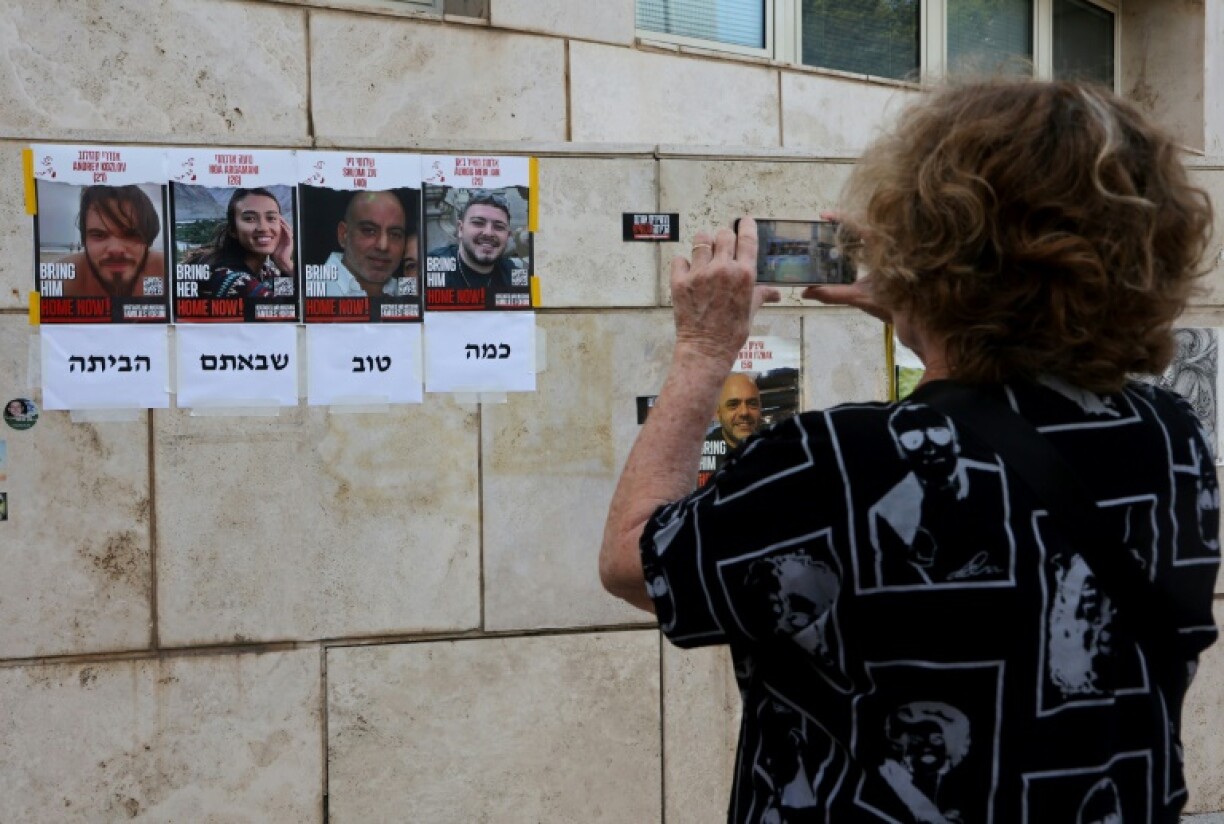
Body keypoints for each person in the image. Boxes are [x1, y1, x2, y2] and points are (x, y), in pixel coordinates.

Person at [600, 79, 1219, 822]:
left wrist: (704, 350)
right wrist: (924, 310)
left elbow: (635, 559)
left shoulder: (838, 462)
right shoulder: (1170, 435)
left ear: (930, 247)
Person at [58, 185, 165, 298]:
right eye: (99, 235)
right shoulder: (63, 279)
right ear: (84, 240)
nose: (115, 249)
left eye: (130, 235)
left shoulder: (166, 272)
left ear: (148, 238)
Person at [190, 188, 294, 299]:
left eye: (271, 218)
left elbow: (289, 295)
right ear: (233, 230)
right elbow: (285, 309)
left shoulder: (265, 272)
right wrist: (290, 269)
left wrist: (285, 264)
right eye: (250, 219)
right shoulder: (229, 278)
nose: (263, 228)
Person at [427, 191, 526, 291]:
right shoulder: (433, 268)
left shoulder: (513, 273)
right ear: (460, 229)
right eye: (478, 223)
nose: (488, 233)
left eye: (499, 227)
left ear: (508, 235)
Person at [323, 191, 411, 298]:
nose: (383, 246)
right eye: (369, 231)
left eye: (395, 234)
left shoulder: (406, 292)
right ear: (343, 235)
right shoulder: (309, 291)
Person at [698, 373, 762, 487]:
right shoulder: (698, 457)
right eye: (733, 405)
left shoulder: (776, 449)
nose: (744, 412)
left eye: (752, 403)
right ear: (718, 412)